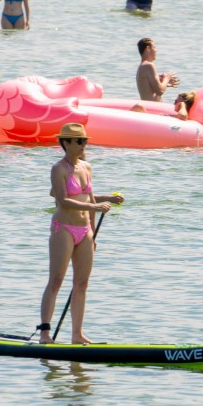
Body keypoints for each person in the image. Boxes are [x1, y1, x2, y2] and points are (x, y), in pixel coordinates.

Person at [37, 123, 124, 345]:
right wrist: (94, 207)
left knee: (82, 283)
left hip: (84, 231)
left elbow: (90, 198)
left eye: (85, 140)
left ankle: (77, 334)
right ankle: (45, 334)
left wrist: (94, 228)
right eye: (78, 141)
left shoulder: (86, 166)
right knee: (56, 280)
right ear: (65, 143)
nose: (83, 144)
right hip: (63, 228)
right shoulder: (59, 169)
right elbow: (63, 200)